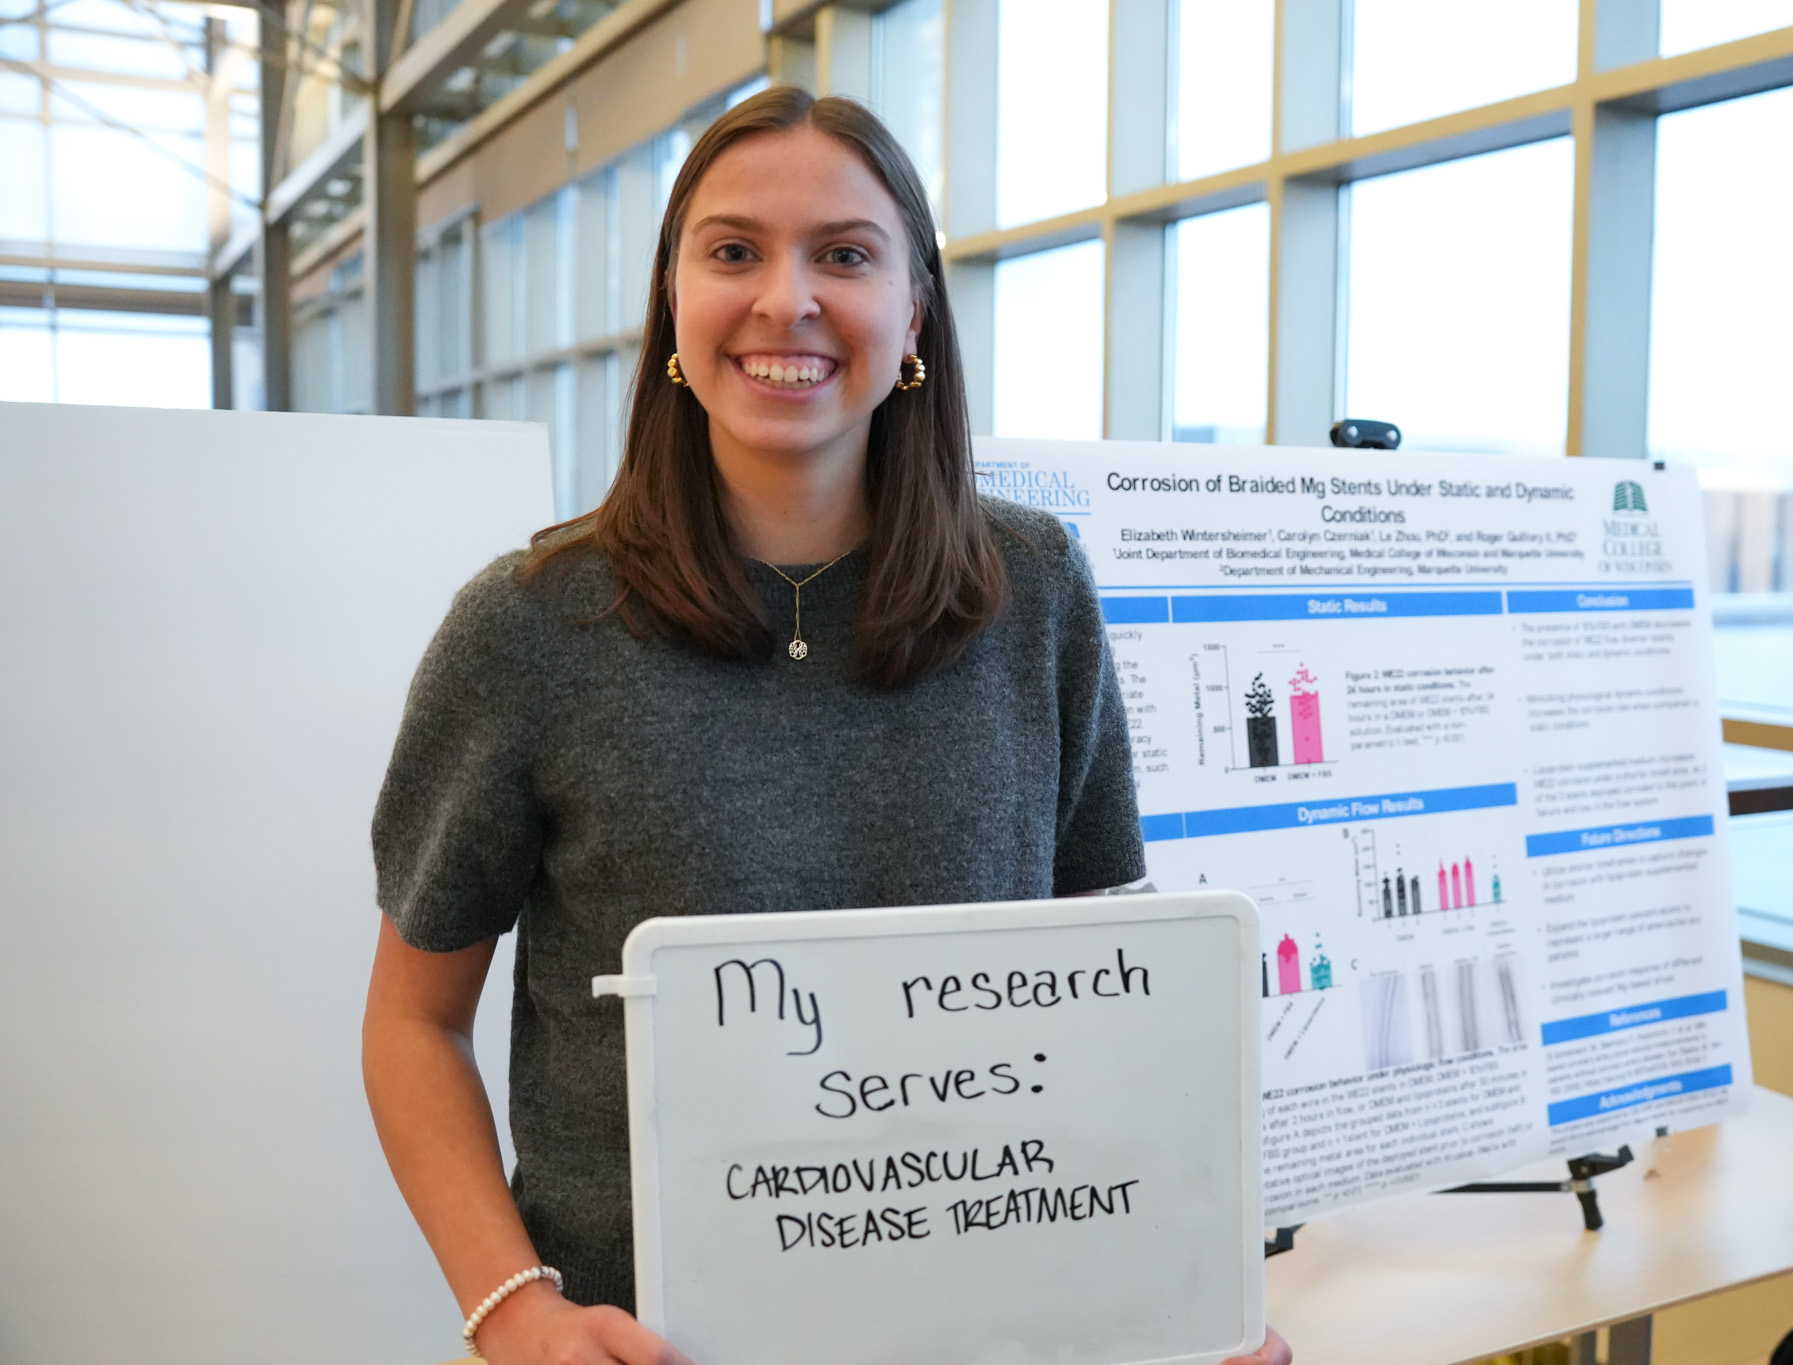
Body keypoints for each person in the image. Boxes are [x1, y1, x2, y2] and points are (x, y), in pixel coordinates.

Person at [361, 86, 1291, 1365]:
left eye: (843, 255)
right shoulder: (526, 630)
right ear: (673, 306)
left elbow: (1112, 1008)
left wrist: (1177, 1298)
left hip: (1005, 1333)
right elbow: (412, 1024)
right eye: (732, 250)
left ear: (912, 310)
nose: (783, 300)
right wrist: (510, 1308)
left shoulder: (1033, 596)